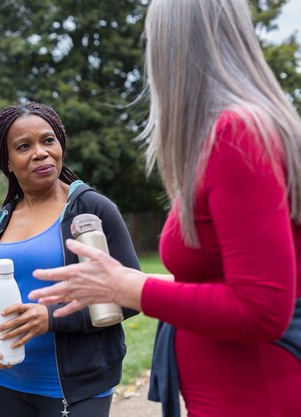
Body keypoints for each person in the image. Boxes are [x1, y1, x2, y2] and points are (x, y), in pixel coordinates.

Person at [29, 1, 301, 416]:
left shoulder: (237, 133)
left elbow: (262, 310)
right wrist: (111, 281)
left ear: (174, 48)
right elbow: (224, 280)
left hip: (256, 394)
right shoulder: (234, 132)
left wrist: (126, 287)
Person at [0, 102, 140, 417]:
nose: (41, 152)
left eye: (48, 140)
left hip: (77, 388)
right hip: (8, 385)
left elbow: (132, 295)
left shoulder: (92, 211)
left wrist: (51, 318)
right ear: (7, 162)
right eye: (24, 146)